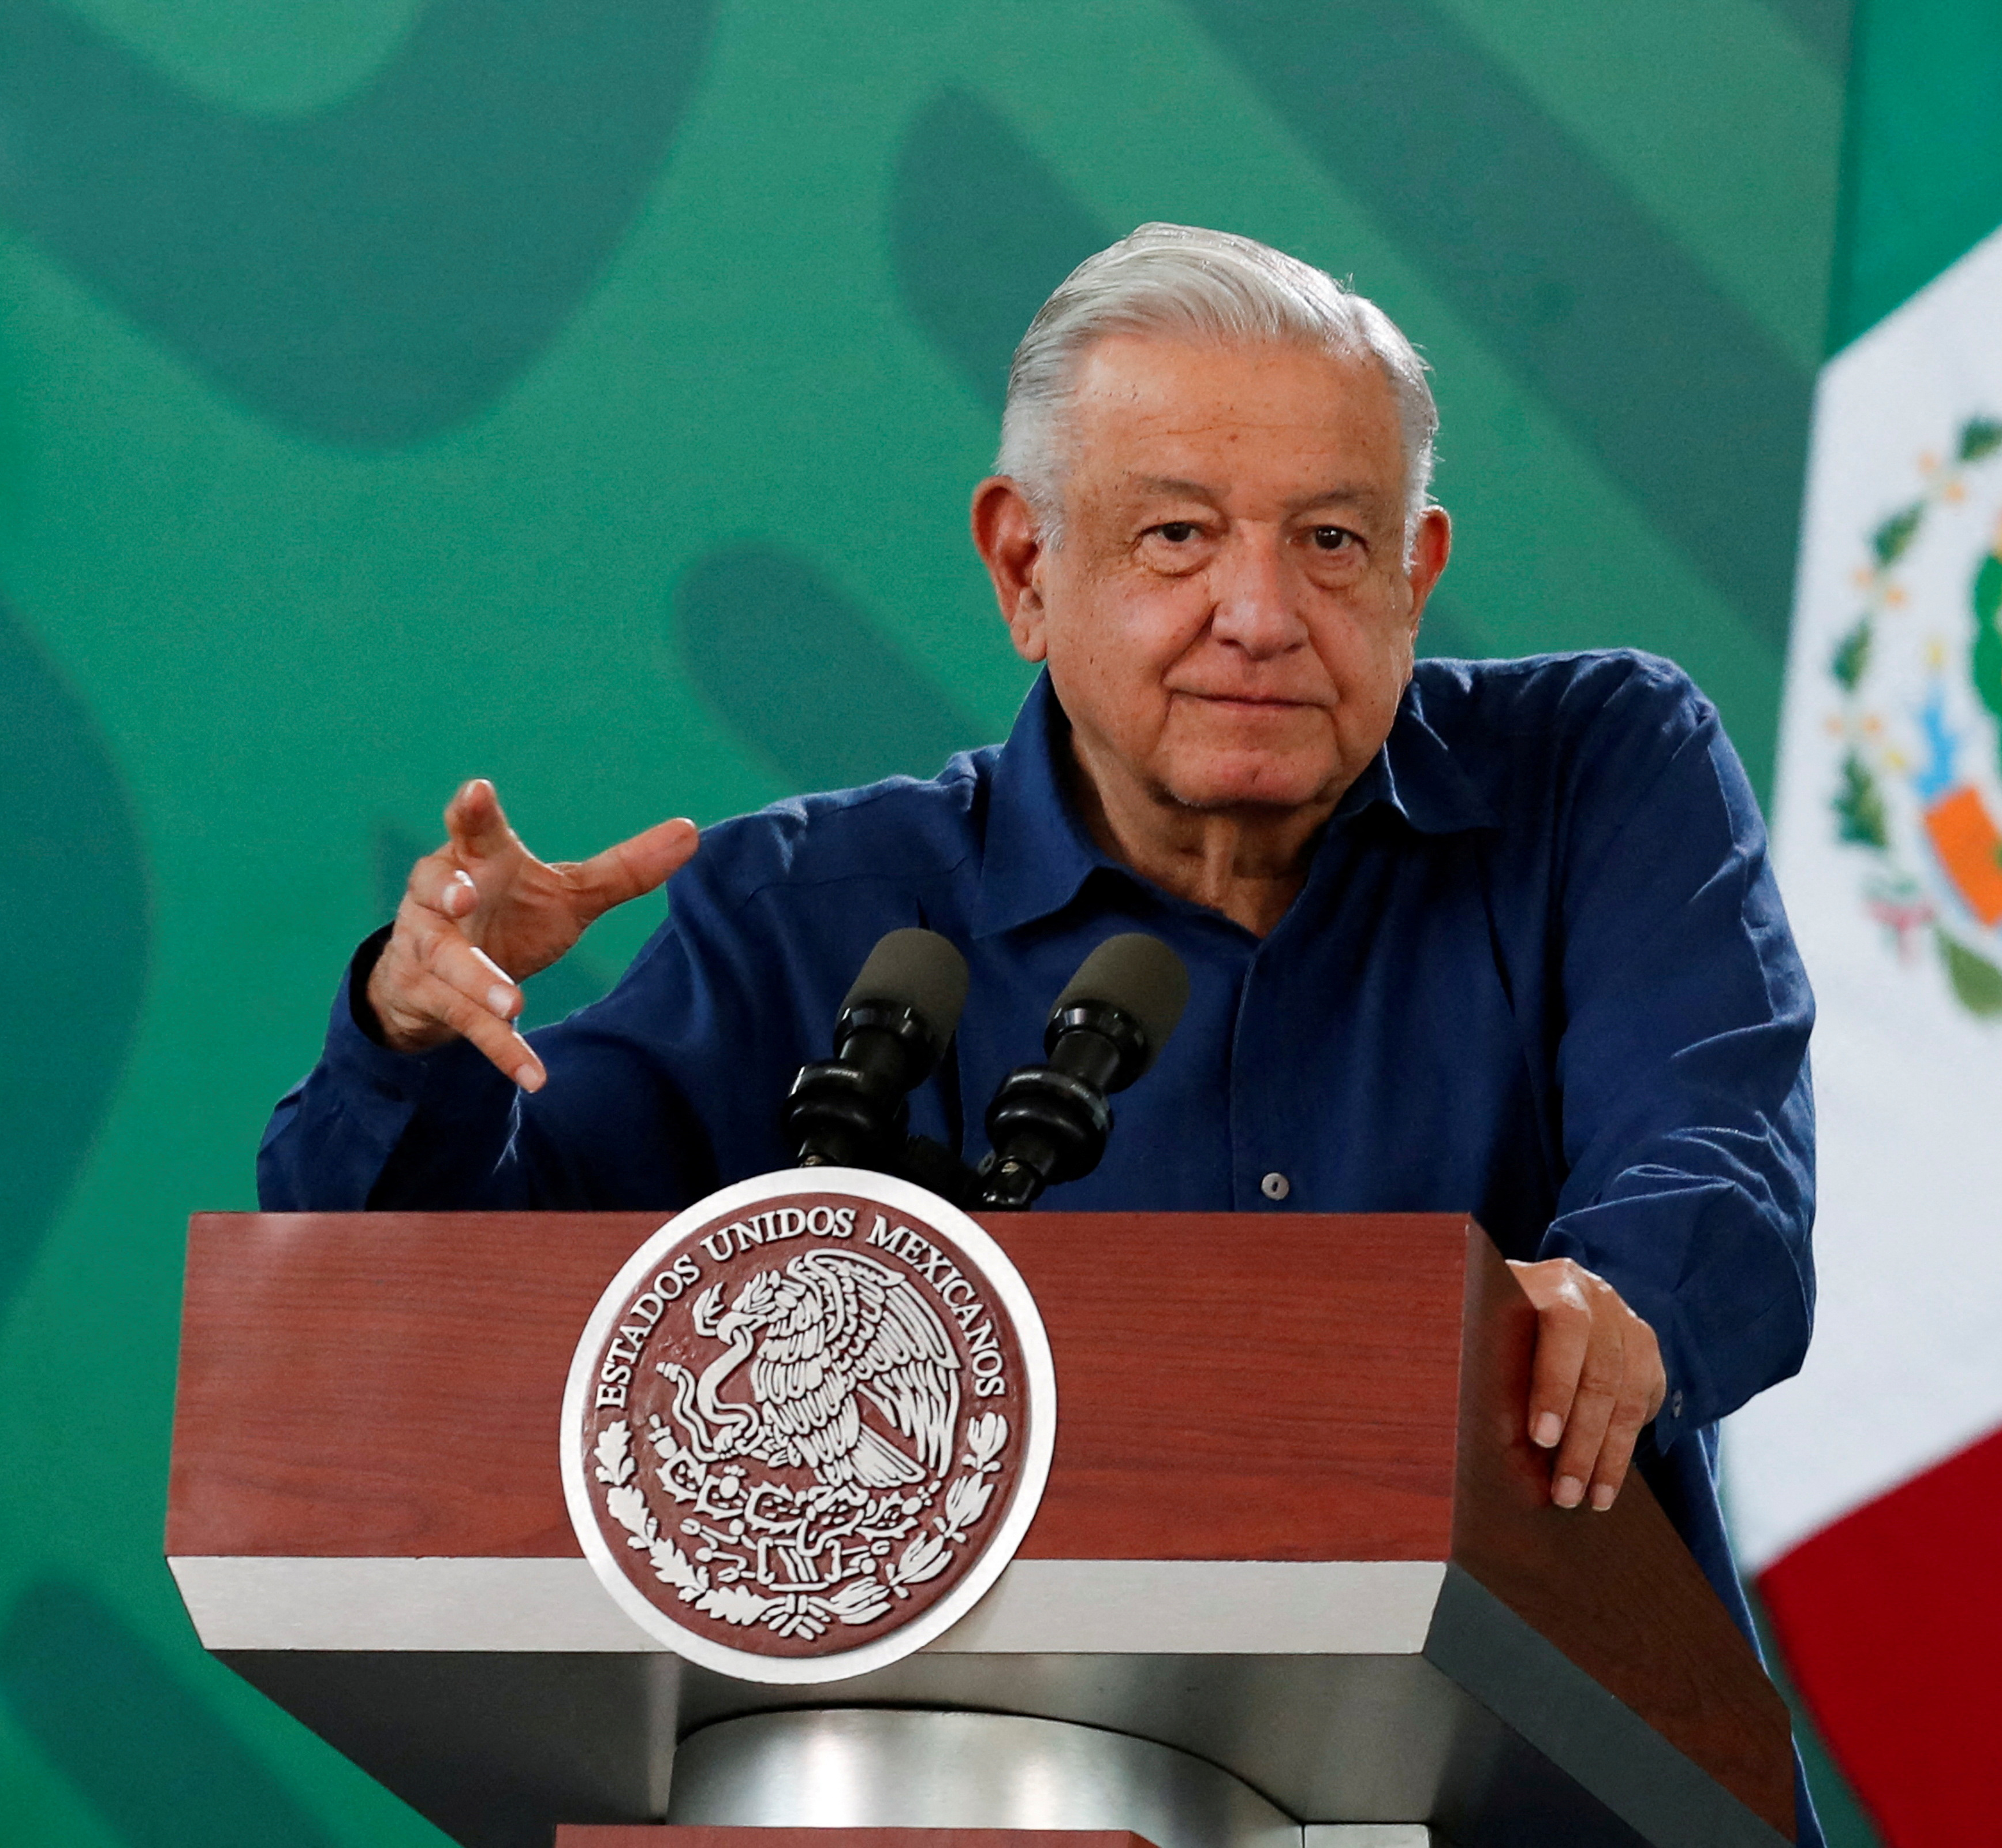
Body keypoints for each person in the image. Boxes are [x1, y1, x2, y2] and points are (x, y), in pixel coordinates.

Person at [260, 223, 1820, 1837]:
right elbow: (427, 1312)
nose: (1262, 612)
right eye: (1177, 536)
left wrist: (1617, 1302)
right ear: (1024, 568)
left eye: (1334, 542)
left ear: (1420, 570)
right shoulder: (824, 907)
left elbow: (1726, 1179)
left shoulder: (1596, 773)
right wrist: (418, 1039)